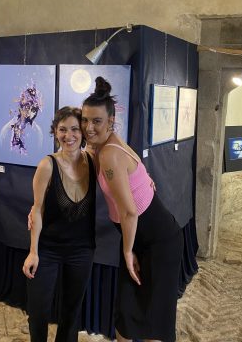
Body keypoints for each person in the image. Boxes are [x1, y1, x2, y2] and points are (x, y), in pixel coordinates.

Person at [81, 77, 184, 342]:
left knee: (153, 322)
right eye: (85, 120)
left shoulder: (109, 154)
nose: (89, 127)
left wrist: (128, 251)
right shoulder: (102, 147)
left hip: (159, 242)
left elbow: (129, 212)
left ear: (111, 121)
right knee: (126, 316)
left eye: (96, 121)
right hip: (137, 238)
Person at [22, 106, 96, 342]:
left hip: (82, 249)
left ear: (82, 132)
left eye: (75, 129)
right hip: (49, 249)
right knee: (38, 313)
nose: (69, 135)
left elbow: (121, 158)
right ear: (55, 132)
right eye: (63, 129)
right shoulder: (47, 165)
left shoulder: (94, 161)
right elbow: (37, 209)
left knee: (71, 314)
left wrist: (143, 179)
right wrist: (33, 252)